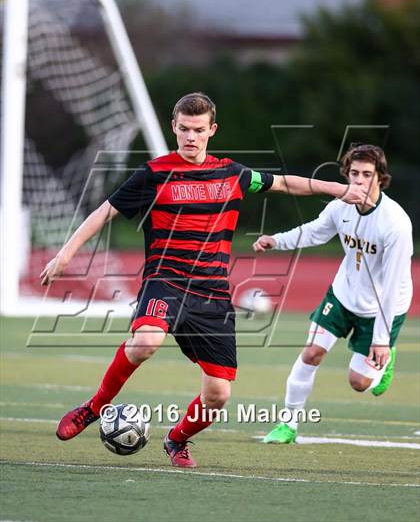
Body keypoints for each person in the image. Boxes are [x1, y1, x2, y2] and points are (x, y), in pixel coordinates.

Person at [41, 93, 372, 468]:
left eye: (199, 130)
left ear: (212, 130)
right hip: (165, 281)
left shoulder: (232, 174)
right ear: (174, 128)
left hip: (212, 293)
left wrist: (340, 189)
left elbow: (283, 184)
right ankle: (94, 407)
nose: (191, 137)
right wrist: (65, 254)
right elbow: (104, 212)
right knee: (146, 341)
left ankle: (176, 440)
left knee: (218, 395)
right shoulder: (154, 173)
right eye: (184, 129)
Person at [253, 143, 413, 444]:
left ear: (380, 177)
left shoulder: (396, 224)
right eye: (354, 173)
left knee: (359, 383)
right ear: (346, 175)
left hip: (383, 308)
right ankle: (288, 424)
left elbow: (391, 288)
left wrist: (381, 340)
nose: (360, 181)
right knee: (311, 352)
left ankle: (388, 356)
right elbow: (314, 231)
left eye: (367, 174)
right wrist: (276, 240)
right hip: (342, 296)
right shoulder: (341, 207)